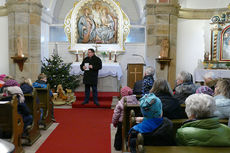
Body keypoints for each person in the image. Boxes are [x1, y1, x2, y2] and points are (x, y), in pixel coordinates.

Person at [112, 86, 139, 151]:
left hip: (122, 123)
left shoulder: (120, 102)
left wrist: (114, 122)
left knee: (119, 134)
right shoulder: (135, 100)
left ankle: (118, 146)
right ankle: (130, 144)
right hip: (133, 122)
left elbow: (116, 114)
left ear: (122, 94)